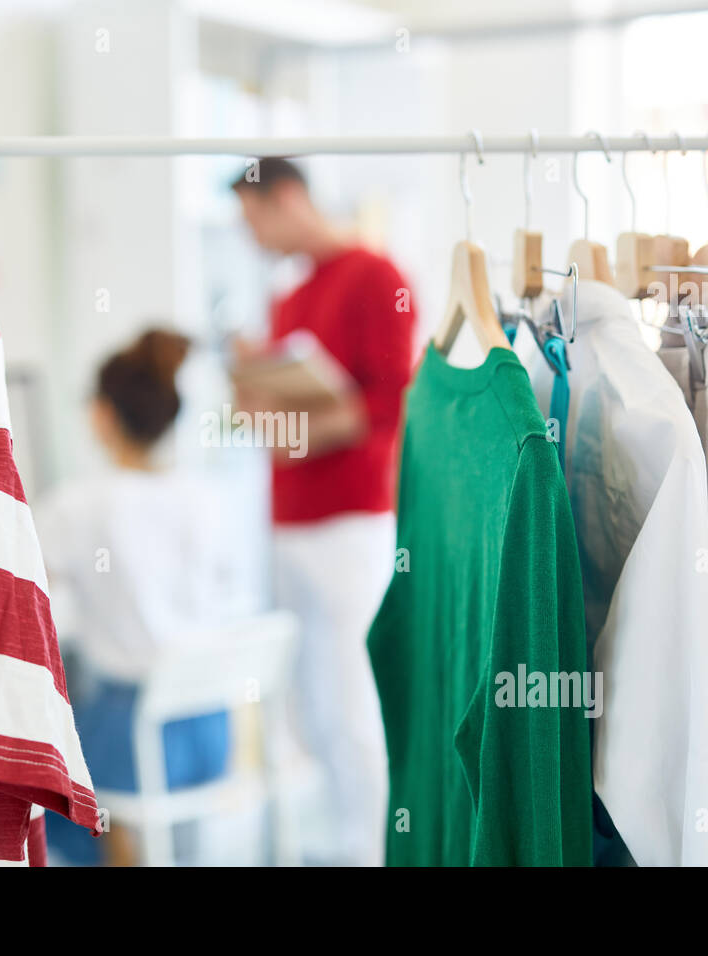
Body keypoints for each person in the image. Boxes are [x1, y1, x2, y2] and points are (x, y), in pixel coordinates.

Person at [231, 157, 416, 866]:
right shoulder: (288, 297)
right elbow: (275, 430)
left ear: (287, 198)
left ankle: (372, 850)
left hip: (349, 521)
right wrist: (256, 390)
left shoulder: (376, 276)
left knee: (350, 701)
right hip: (287, 523)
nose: (253, 239)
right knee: (308, 708)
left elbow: (389, 404)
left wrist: (304, 425)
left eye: (254, 221)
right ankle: (342, 844)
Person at [37, 328, 235, 866]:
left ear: (101, 414)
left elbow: (32, 604)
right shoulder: (205, 496)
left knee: (50, 757)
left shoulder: (78, 506)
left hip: (138, 738)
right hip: (211, 730)